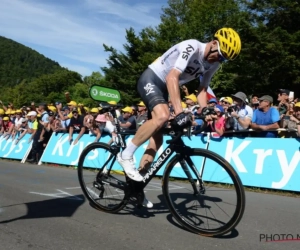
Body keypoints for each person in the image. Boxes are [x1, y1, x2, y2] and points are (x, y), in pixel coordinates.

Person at [116, 27, 241, 207]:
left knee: (156, 141)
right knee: (163, 115)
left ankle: (136, 186)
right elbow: (172, 77)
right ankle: (126, 155)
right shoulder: (192, 47)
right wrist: (180, 112)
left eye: (224, 59)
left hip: (166, 88)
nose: (219, 60)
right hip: (152, 79)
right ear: (214, 43)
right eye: (220, 55)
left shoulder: (214, 64)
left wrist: (205, 110)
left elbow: (202, 90)